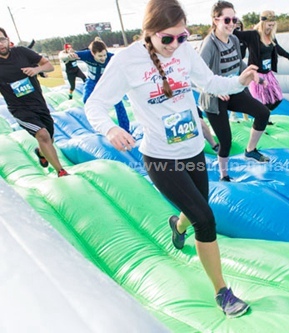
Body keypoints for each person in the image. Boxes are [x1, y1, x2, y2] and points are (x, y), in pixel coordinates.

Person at [84, 0, 260, 317]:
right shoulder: (127, 61)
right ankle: (223, 292)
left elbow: (210, 82)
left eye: (182, 36)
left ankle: (177, 226)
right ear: (149, 33)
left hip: (192, 150)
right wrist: (110, 129)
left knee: (193, 213)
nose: (175, 44)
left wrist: (239, 81)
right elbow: (94, 105)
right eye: (168, 38)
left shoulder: (184, 51)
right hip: (160, 158)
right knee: (205, 218)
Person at [199, 1, 271, 181]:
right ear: (216, 20)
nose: (232, 23)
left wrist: (253, 73)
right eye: (227, 19)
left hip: (233, 90)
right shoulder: (209, 45)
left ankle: (250, 150)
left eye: (234, 19)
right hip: (215, 97)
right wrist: (215, 91)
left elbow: (238, 63)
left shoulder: (234, 39)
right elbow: (197, 75)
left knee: (262, 113)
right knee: (226, 141)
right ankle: (224, 175)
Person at [0, 28, 69, 177]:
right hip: (20, 110)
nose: (0, 44)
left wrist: (36, 70)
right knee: (43, 135)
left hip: (39, 105)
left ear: (7, 39)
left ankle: (41, 152)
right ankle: (61, 171)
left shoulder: (22, 52)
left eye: (1, 39)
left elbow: (49, 66)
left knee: (49, 138)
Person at [234, 10, 289, 113]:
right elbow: (237, 34)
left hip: (268, 73)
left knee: (277, 98)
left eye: (272, 25)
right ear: (263, 23)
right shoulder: (253, 35)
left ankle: (264, 114)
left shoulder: (271, 36)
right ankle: (262, 117)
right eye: (269, 25)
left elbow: (277, 48)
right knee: (262, 100)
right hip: (257, 74)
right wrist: (231, 22)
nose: (270, 28)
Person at [66, 38, 130, 132]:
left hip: (108, 82)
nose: (103, 58)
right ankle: (98, 124)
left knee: (118, 103)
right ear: (92, 53)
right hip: (92, 81)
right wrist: (68, 54)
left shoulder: (111, 57)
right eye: (100, 56)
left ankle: (126, 129)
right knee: (86, 100)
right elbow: (63, 55)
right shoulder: (86, 55)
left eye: (104, 55)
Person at [229, 18, 250, 122]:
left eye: (239, 26)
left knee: (244, 91)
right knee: (234, 91)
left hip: (240, 66)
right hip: (231, 68)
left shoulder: (243, 39)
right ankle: (233, 114)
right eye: (235, 25)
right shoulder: (229, 39)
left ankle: (245, 117)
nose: (237, 27)